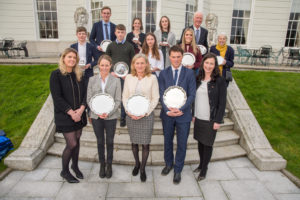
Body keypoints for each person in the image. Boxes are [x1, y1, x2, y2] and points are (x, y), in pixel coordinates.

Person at [158, 45, 196, 184]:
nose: (175, 59)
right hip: (167, 114)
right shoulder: (163, 73)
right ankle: (168, 164)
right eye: (173, 57)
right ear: (169, 57)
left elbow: (192, 94)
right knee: (167, 141)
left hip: (183, 115)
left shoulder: (189, 73)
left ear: (182, 57)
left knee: (182, 143)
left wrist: (183, 109)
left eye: (178, 57)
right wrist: (168, 109)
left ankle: (178, 169)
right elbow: (161, 93)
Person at [50, 48, 87, 183]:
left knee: (77, 142)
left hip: (80, 114)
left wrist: (81, 110)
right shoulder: (56, 75)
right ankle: (64, 171)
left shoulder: (79, 74)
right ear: (63, 58)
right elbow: (57, 97)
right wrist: (72, 113)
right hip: (65, 116)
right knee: (71, 143)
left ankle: (75, 166)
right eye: (69, 57)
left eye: (74, 57)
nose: (72, 59)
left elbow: (85, 95)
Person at [122, 53, 159, 182]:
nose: (140, 65)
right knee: (134, 142)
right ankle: (136, 164)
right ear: (133, 65)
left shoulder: (152, 78)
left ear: (147, 64)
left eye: (142, 63)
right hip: (131, 115)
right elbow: (125, 97)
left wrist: (146, 112)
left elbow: (155, 98)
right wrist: (128, 111)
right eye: (137, 63)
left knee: (145, 144)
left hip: (146, 116)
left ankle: (143, 168)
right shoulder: (128, 78)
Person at [193, 53, 227, 181]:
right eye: (206, 63)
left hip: (211, 118)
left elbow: (222, 102)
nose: (208, 66)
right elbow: (194, 99)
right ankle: (201, 165)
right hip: (199, 117)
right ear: (203, 64)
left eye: (211, 63)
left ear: (215, 65)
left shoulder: (219, 80)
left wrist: (218, 120)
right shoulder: (198, 78)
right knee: (200, 143)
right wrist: (194, 114)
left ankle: (204, 169)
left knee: (207, 144)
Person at [86, 55, 121, 179]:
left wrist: (109, 112)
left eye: (107, 65)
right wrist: (96, 111)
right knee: (100, 141)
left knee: (110, 141)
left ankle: (109, 165)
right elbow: (89, 98)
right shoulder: (92, 80)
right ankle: (102, 164)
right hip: (96, 116)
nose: (104, 67)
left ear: (110, 66)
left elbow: (118, 100)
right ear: (98, 66)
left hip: (110, 117)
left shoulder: (116, 81)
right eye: (102, 65)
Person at [106, 24, 135, 127]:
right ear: (115, 33)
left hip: (124, 77)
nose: (120, 34)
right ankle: (110, 116)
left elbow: (133, 62)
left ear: (125, 33)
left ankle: (123, 118)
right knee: (112, 96)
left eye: (122, 32)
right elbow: (106, 60)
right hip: (113, 76)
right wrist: (110, 71)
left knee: (123, 97)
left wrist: (128, 74)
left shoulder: (129, 46)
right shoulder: (111, 46)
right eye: (118, 32)